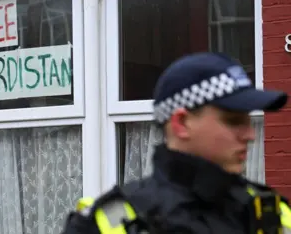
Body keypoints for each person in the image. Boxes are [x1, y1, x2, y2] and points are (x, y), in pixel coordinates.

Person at [61, 52, 291, 233]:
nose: (250, 135)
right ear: (181, 123)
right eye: (233, 121)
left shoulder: (273, 214)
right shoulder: (107, 223)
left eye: (248, 120)